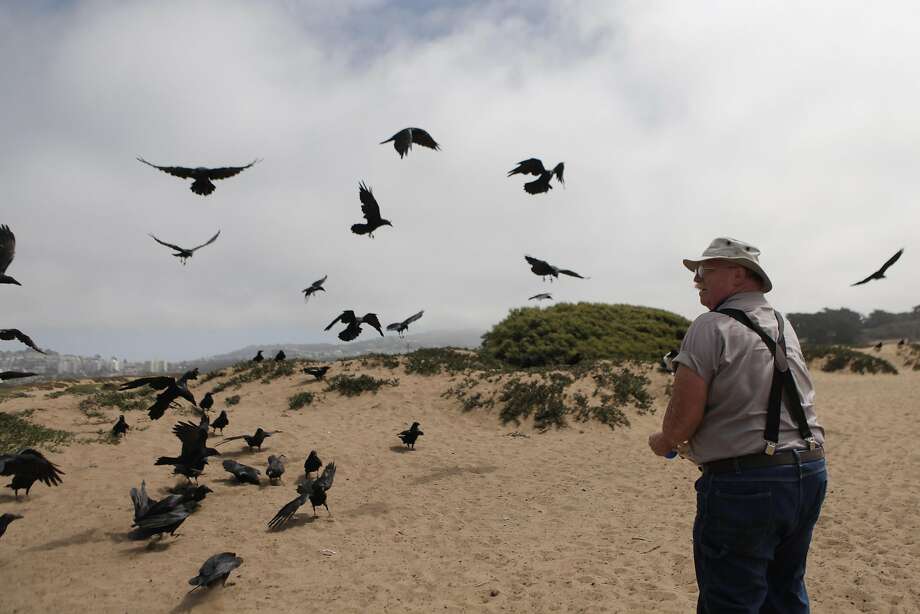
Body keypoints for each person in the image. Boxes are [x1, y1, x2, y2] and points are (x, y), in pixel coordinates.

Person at [648, 237, 827, 613]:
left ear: (738, 275)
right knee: (785, 592)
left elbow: (683, 419)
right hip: (809, 471)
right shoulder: (782, 324)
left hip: (746, 484)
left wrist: (664, 440)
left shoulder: (709, 325)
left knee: (730, 600)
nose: (696, 280)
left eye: (704, 271)